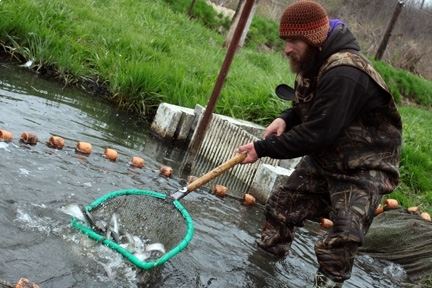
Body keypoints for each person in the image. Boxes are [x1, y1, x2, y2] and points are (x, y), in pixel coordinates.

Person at [237, 1, 402, 287]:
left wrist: (262, 149)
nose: (287, 49)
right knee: (281, 207)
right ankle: (261, 272)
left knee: (342, 238)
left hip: (364, 167)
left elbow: (318, 132)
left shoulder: (346, 71)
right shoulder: (314, 60)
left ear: (314, 39)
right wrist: (287, 118)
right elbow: (313, 107)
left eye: (293, 41)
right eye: (285, 41)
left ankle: (326, 283)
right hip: (327, 156)